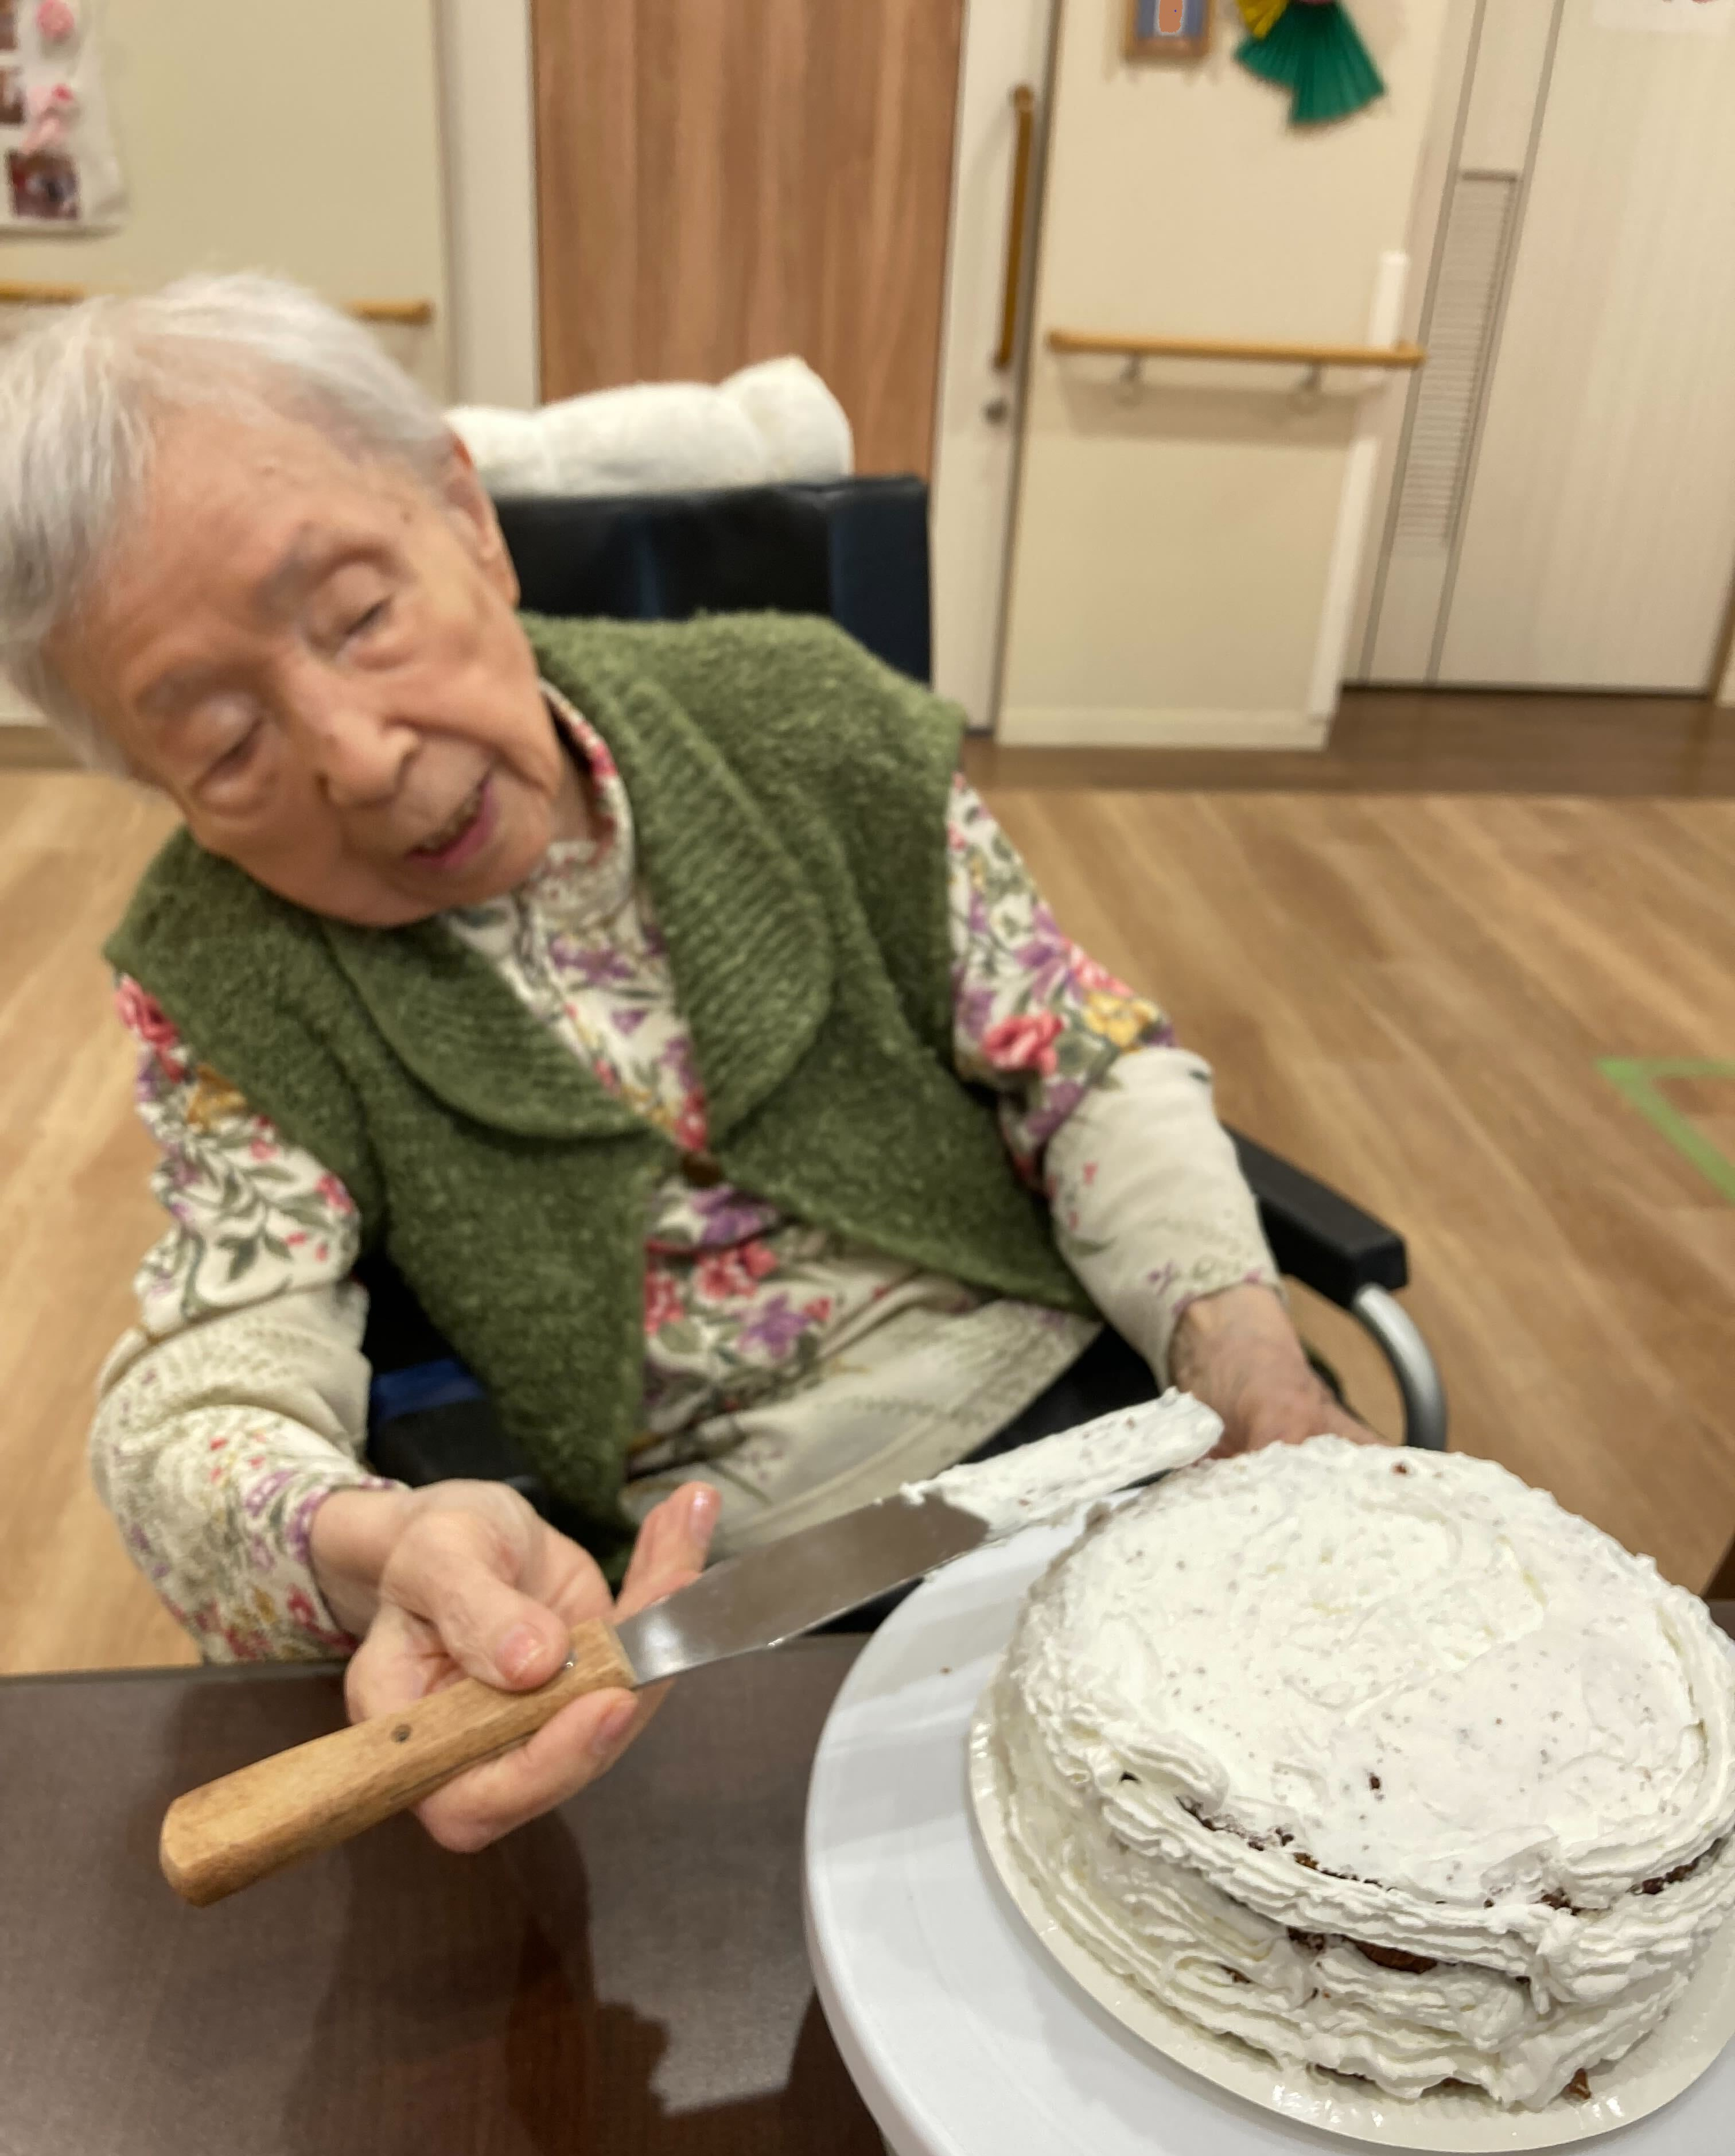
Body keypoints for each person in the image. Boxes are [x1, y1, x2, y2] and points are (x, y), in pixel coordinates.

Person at [0, 275, 1371, 1853]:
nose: (358, 758)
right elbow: (198, 1398)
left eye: (364, 614)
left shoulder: (805, 717)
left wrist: (1250, 1369)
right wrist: (373, 1537)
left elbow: (1082, 1061)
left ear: (468, 518)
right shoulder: (228, 967)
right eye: (227, 747)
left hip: (1097, 1417)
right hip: (737, 1590)